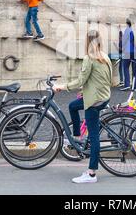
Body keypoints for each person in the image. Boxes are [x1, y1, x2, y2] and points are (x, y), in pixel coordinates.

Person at [53, 30, 112, 184]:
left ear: (88, 41)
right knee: (73, 106)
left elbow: (80, 80)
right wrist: (85, 90)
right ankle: (77, 136)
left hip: (95, 101)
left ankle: (91, 173)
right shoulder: (105, 56)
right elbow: (102, 79)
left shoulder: (89, 58)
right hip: (103, 96)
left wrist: (62, 86)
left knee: (94, 137)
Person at [120, 19, 136, 91]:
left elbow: (123, 41)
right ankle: (134, 87)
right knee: (135, 70)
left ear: (127, 23)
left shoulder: (127, 30)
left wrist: (122, 48)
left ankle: (127, 85)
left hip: (127, 52)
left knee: (125, 67)